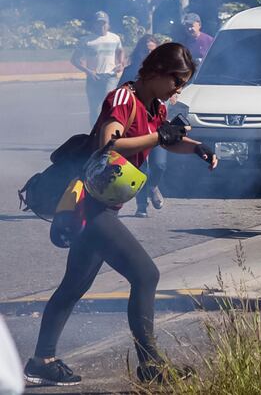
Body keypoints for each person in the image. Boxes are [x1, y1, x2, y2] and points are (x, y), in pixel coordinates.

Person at [25, 43, 218, 387]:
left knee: (73, 286)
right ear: (156, 71)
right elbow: (108, 144)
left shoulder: (154, 105)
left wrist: (196, 147)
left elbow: (164, 140)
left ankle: (42, 360)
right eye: (176, 80)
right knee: (146, 275)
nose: (179, 89)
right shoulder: (123, 99)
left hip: (103, 204)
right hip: (90, 206)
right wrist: (159, 136)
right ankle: (151, 365)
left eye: (183, 83)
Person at [122, 35, 167, 218]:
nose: (148, 55)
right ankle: (141, 206)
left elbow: (173, 93)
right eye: (145, 51)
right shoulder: (130, 71)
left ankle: (153, 185)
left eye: (152, 51)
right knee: (141, 167)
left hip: (157, 125)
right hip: (136, 127)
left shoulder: (165, 72)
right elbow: (120, 94)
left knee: (159, 165)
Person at [72, 12, 125, 123]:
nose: (102, 26)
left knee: (110, 104)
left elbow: (120, 51)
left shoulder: (115, 38)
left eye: (104, 23)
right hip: (94, 77)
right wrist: (88, 71)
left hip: (110, 76)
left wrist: (121, 63)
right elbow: (74, 59)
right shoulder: (86, 41)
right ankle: (94, 133)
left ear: (108, 24)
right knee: (95, 109)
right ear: (94, 24)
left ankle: (109, 130)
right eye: (99, 23)